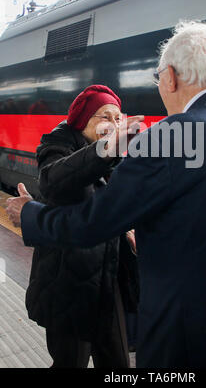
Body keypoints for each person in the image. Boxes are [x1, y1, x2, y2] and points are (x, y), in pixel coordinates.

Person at [7, 21, 206, 368]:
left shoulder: (172, 137)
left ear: (170, 77)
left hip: (187, 336)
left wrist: (30, 215)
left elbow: (94, 221)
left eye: (158, 78)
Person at [22, 84, 141, 368]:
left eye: (117, 117)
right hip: (69, 283)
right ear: (83, 119)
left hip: (108, 280)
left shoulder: (113, 153)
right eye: (104, 116)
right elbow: (55, 180)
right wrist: (107, 149)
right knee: (69, 363)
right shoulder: (57, 145)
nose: (113, 124)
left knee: (118, 365)